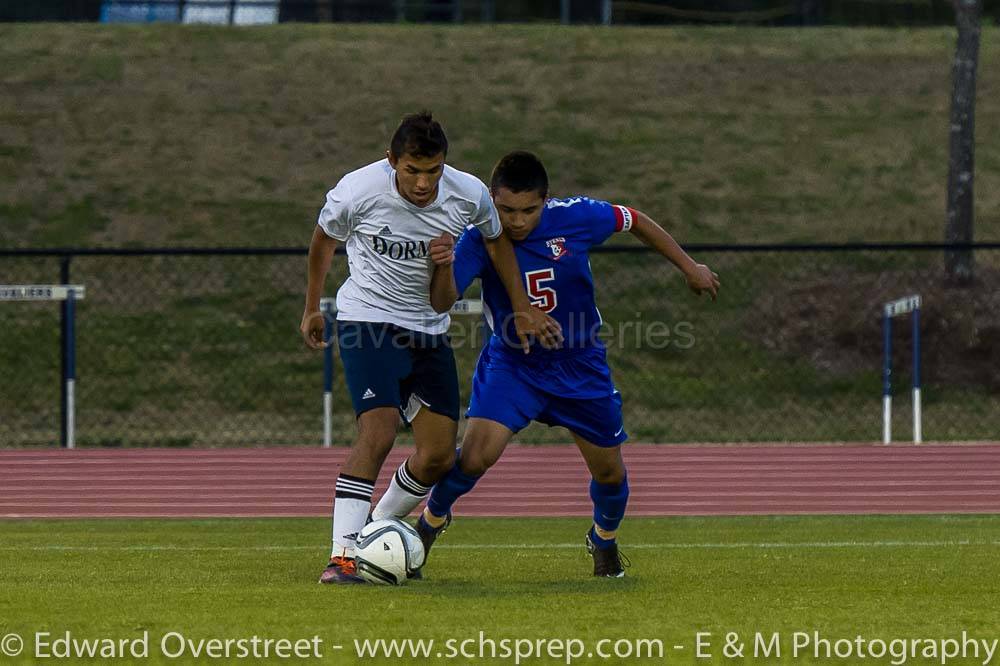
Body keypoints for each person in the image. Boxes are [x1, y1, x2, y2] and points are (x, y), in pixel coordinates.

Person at [417, 151, 720, 577]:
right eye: (507, 210)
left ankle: (604, 540)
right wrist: (442, 267)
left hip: (580, 366)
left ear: (546, 201)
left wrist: (690, 266)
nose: (518, 221)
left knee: (610, 474)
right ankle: (427, 525)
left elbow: (633, 219)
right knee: (475, 457)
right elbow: (442, 301)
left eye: (529, 210)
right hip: (514, 364)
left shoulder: (576, 217)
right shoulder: (479, 237)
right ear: (491, 199)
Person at [300, 117, 562, 584]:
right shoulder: (357, 191)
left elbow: (497, 240)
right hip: (368, 319)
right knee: (377, 432)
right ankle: (342, 556)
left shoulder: (469, 193)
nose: (423, 183)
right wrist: (311, 307)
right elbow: (324, 239)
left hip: (428, 329)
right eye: (412, 170)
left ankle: (373, 536)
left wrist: (522, 306)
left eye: (433, 170)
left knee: (440, 455)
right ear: (391, 162)